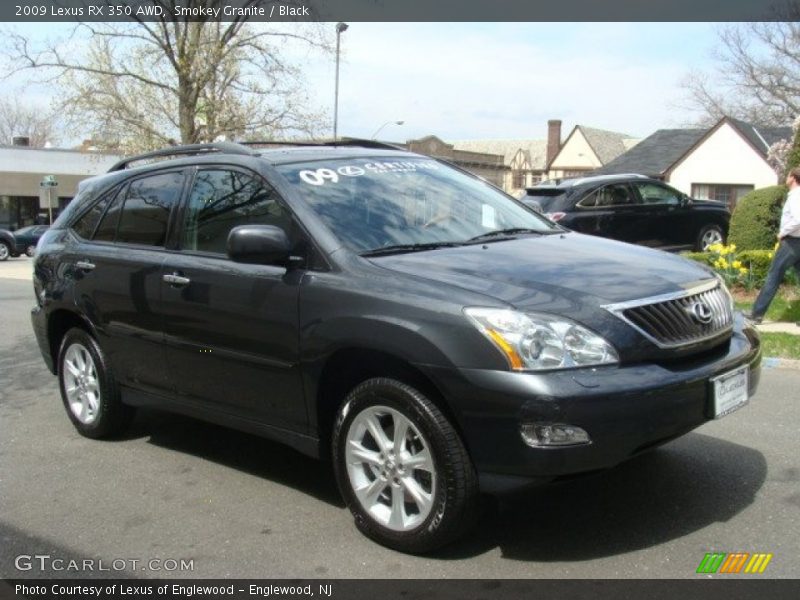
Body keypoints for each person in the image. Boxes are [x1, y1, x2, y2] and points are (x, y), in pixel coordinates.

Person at [745, 166, 800, 324]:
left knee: (773, 277)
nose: (786, 178)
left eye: (788, 175)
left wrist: (783, 232)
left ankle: (756, 314)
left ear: (793, 178)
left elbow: (798, 219)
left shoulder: (795, 196)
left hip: (791, 242)